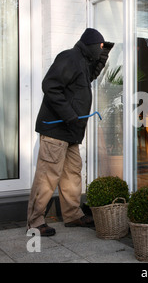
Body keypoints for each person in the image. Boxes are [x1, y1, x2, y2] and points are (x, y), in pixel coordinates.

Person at [27, 28, 113, 236]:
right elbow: (50, 86)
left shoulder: (83, 63)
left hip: (71, 131)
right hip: (57, 128)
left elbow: (93, 73)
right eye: (99, 46)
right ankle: (35, 221)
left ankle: (73, 214)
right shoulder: (69, 57)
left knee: (72, 173)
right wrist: (69, 115)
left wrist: (104, 53)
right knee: (48, 176)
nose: (99, 50)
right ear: (90, 45)